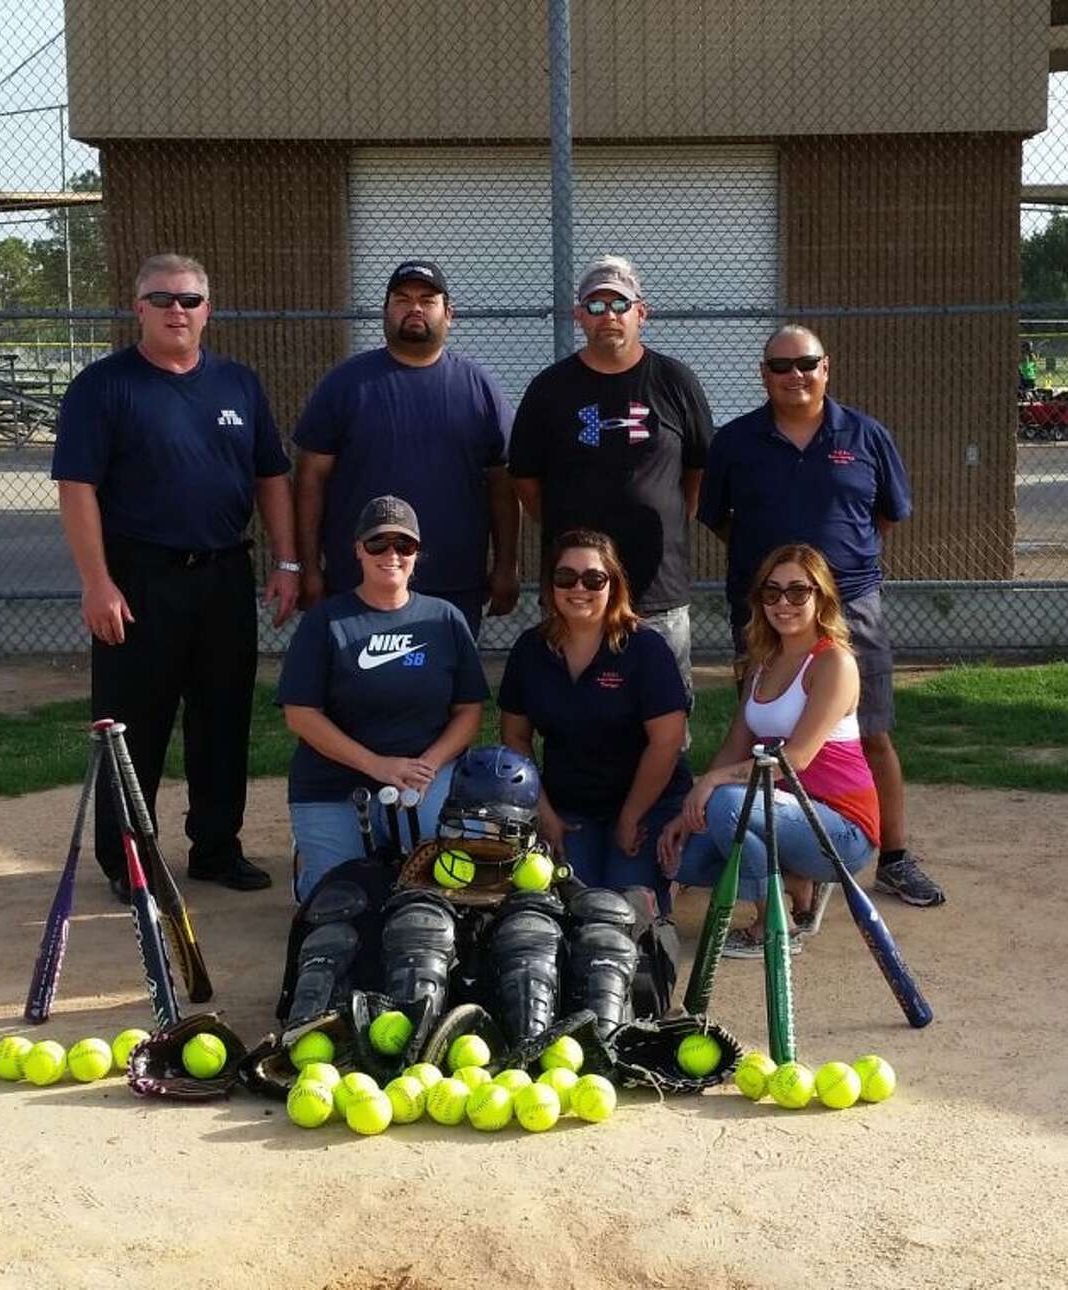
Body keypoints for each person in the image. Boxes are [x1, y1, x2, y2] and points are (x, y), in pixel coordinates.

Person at [52, 253, 299, 900]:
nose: (177, 311)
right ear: (138, 308)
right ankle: (128, 861)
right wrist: (96, 581)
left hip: (222, 575)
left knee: (222, 719)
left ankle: (217, 848)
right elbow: (76, 487)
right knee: (135, 723)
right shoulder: (104, 387)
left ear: (207, 310)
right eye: (162, 299)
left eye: (190, 300)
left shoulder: (238, 385)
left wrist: (288, 561)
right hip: (138, 579)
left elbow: (271, 476)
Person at [697, 324, 944, 908]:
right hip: (767, 609)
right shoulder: (736, 442)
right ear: (764, 374)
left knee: (871, 733)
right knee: (763, 727)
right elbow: (717, 518)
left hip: (852, 606)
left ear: (826, 368)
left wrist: (828, 582)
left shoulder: (866, 435)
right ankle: (787, 857)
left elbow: (886, 516)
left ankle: (894, 857)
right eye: (780, 366)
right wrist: (778, 586)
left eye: (805, 364)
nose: (794, 376)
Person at [658, 543, 879, 956]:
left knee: (726, 804)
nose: (784, 603)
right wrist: (685, 814)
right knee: (684, 859)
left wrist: (711, 784)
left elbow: (794, 761)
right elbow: (734, 745)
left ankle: (773, 924)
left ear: (821, 596)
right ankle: (795, 882)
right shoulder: (763, 662)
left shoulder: (834, 663)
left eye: (798, 592)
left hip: (841, 826)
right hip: (781, 811)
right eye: (772, 592)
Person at [508, 254, 712, 692]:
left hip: (658, 588)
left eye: (619, 305)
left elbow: (698, 468)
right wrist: (568, 528)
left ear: (642, 311)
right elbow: (524, 478)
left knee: (667, 714)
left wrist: (669, 514)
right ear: (579, 315)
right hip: (575, 590)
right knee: (576, 710)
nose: (609, 317)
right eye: (596, 307)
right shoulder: (550, 388)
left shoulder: (675, 381)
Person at [293, 259, 520, 639]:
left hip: (453, 583)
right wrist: (310, 568)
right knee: (357, 694)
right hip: (360, 582)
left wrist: (507, 566)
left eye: (427, 300)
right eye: (402, 299)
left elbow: (503, 485)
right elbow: (310, 479)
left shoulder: (479, 388)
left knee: (450, 695)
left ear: (449, 314)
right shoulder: (345, 385)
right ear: (385, 312)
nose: (414, 307)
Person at [276, 495, 488, 901]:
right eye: (378, 544)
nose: (391, 555)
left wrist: (427, 764)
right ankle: (308, 863)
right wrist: (377, 766)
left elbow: (469, 711)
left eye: (403, 545)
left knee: (448, 884)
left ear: (417, 553)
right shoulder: (327, 620)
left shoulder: (444, 618)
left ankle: (395, 851)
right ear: (358, 549)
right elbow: (300, 715)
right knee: (338, 901)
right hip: (335, 781)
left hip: (421, 777)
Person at [498, 528, 690, 910]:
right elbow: (514, 737)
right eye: (565, 577)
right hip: (572, 810)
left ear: (613, 584)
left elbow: (667, 741)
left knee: (626, 911)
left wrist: (631, 815)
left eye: (593, 578)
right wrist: (543, 812)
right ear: (551, 585)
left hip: (646, 804)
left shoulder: (645, 648)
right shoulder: (530, 649)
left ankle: (668, 885)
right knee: (574, 907)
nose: (578, 588)